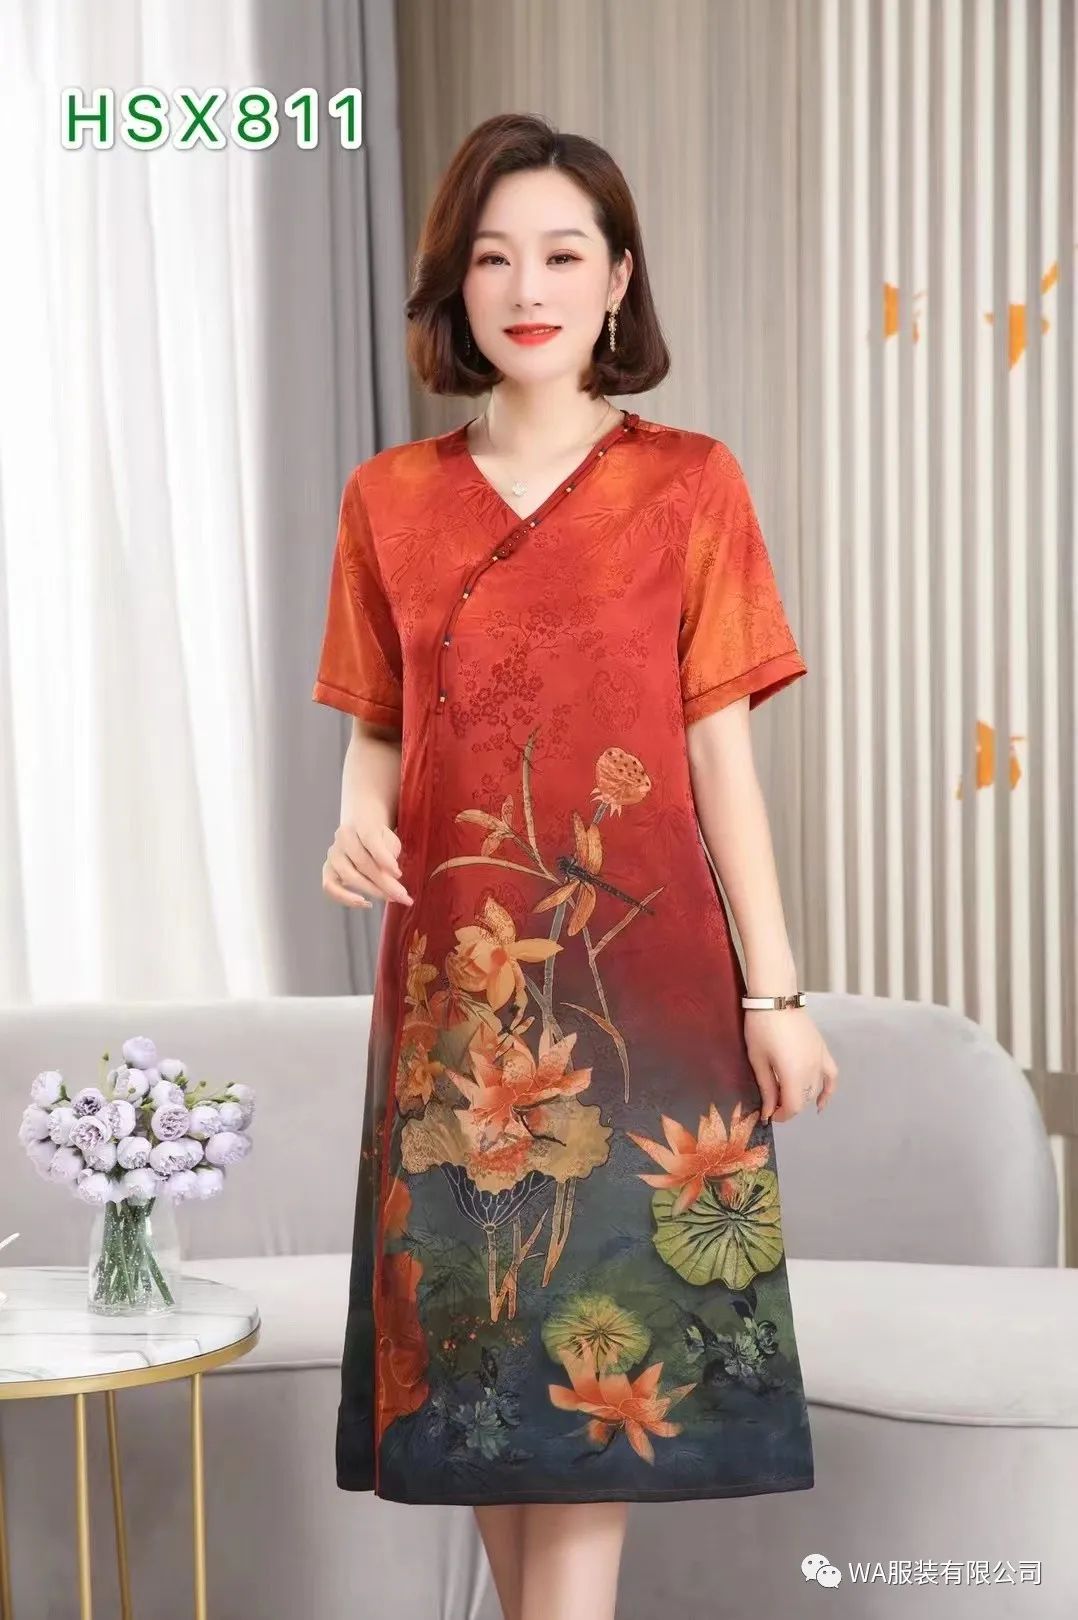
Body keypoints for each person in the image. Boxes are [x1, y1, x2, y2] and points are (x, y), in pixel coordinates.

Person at [312, 111, 839, 1620]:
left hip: (641, 995)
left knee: (603, 1356)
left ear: (617, 281)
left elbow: (720, 759)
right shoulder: (388, 498)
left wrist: (776, 993)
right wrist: (355, 812)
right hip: (457, 997)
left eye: (561, 254)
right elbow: (380, 724)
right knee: (484, 1382)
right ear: (455, 287)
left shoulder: (689, 481)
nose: (526, 287)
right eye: (493, 258)